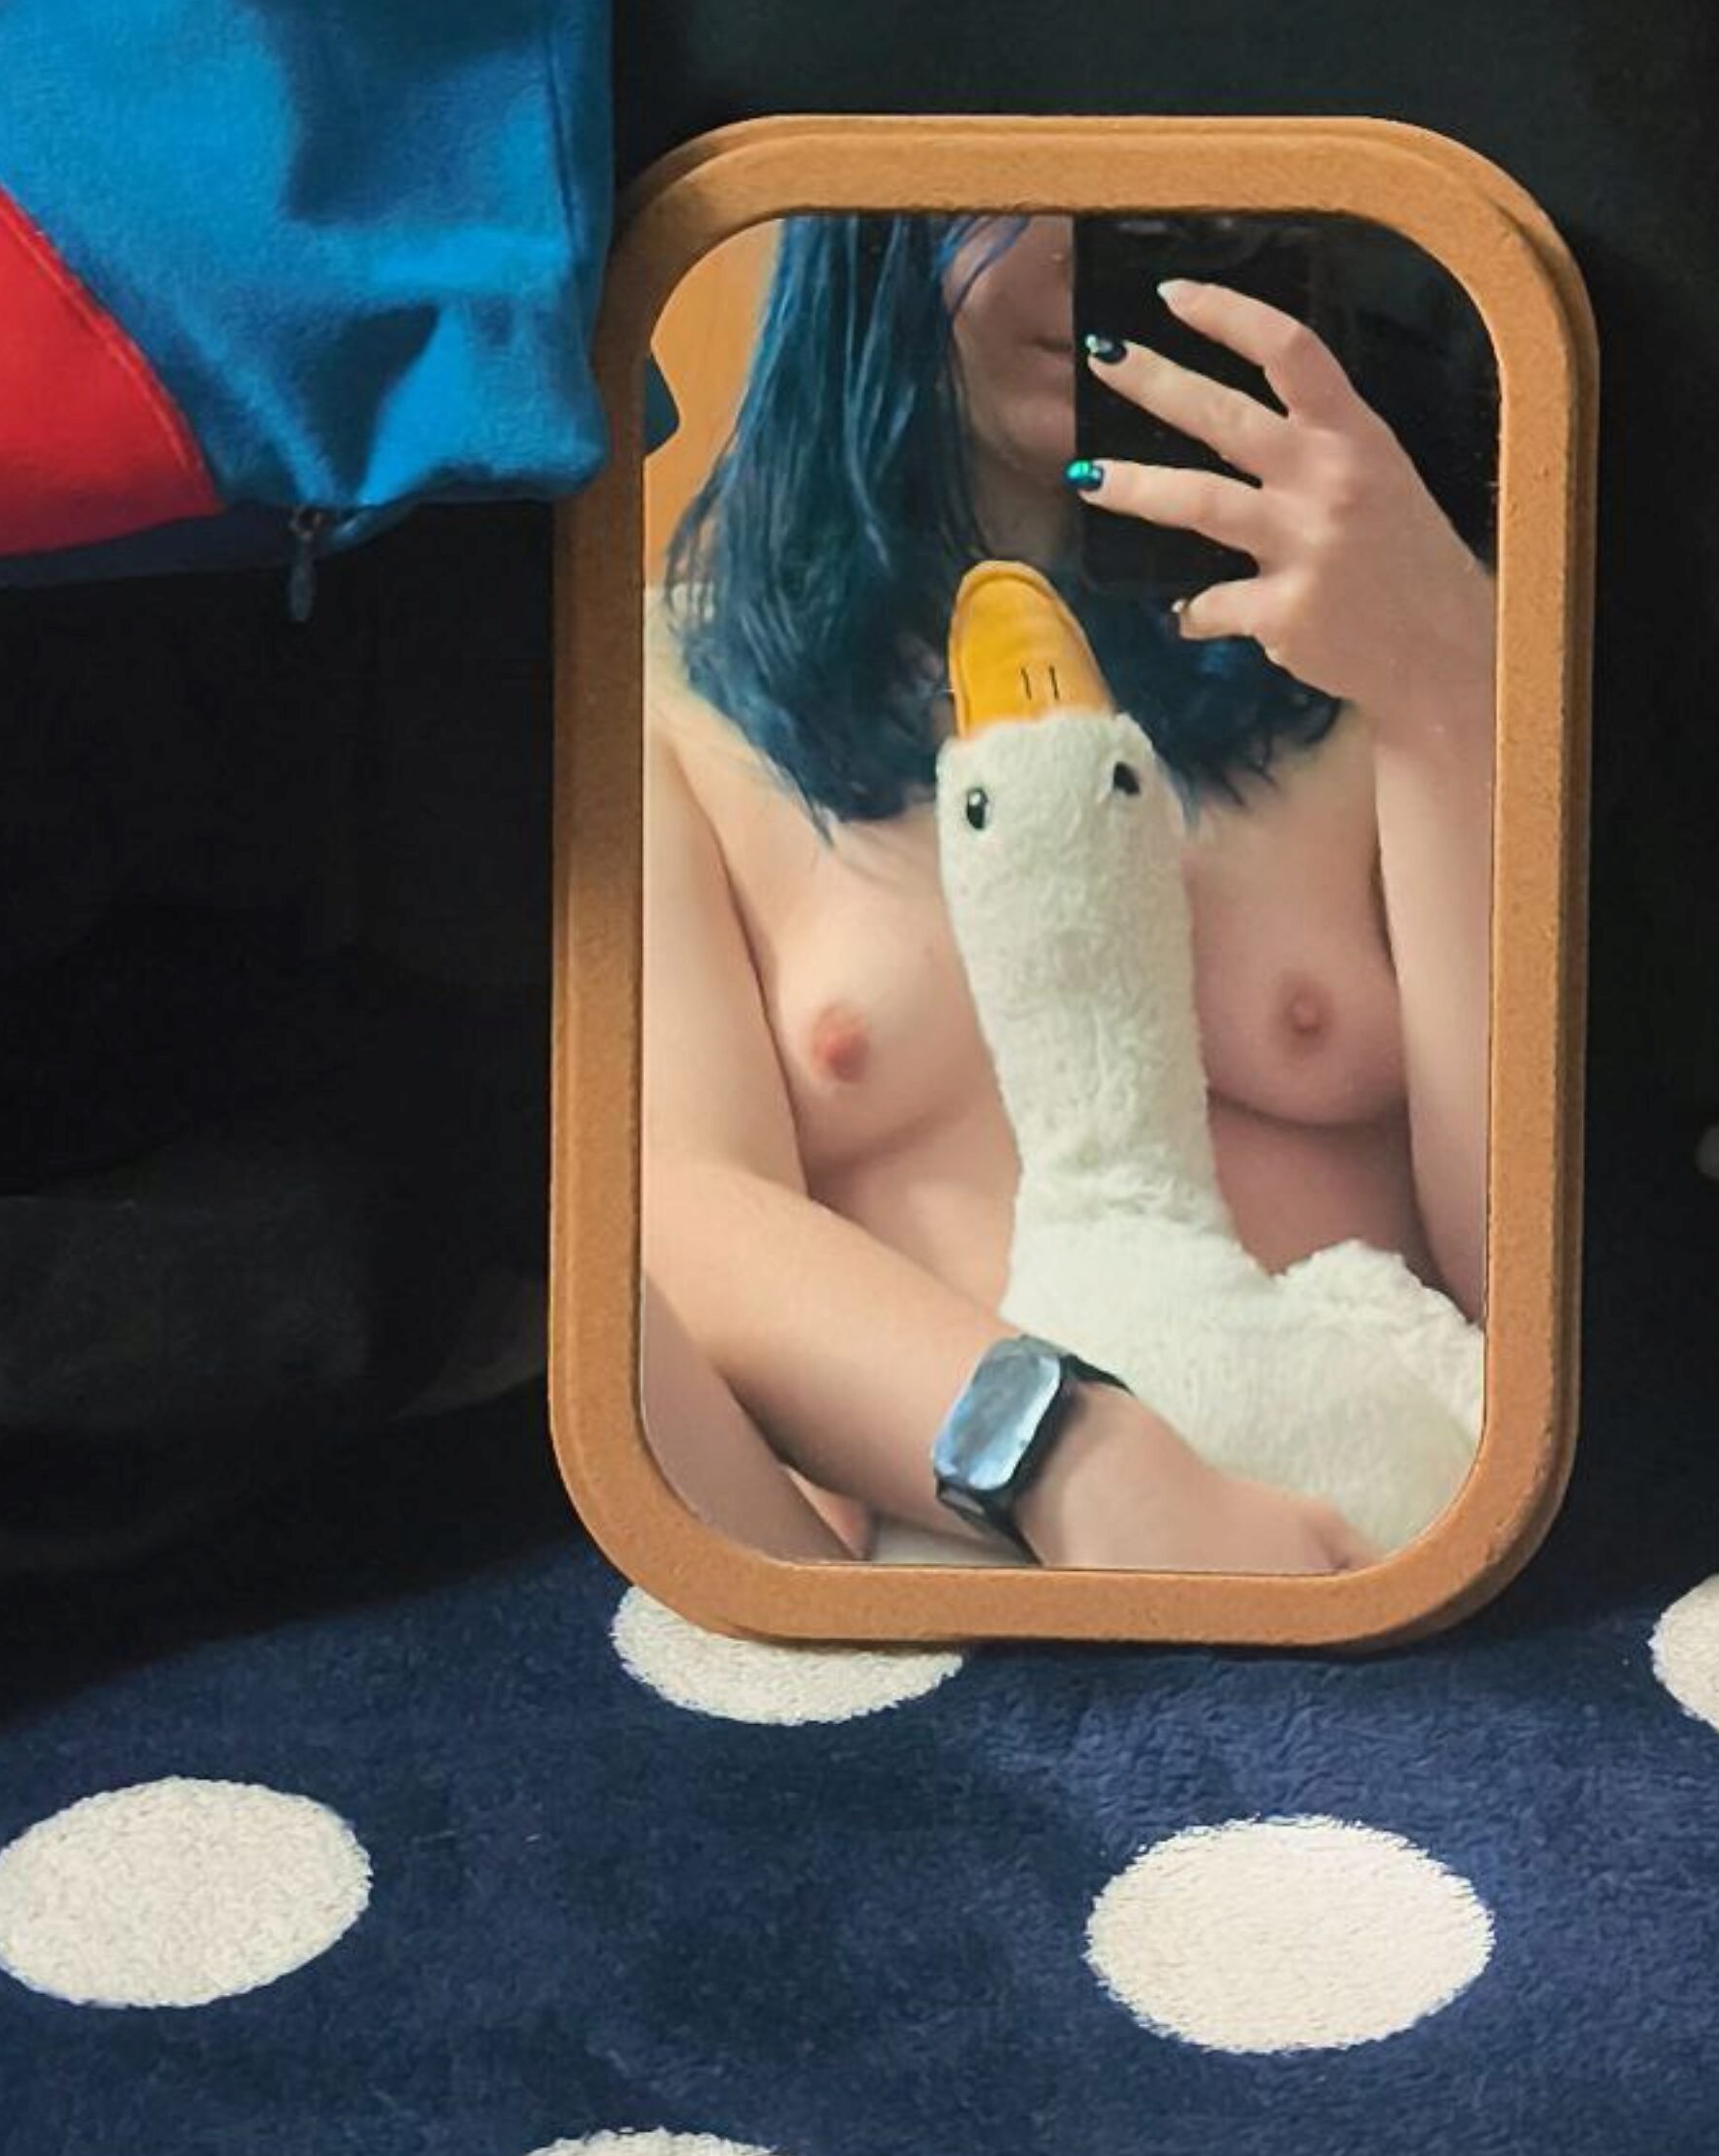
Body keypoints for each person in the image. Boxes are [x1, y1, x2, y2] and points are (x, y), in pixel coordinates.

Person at [640, 211, 1495, 1574]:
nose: (1084, 244)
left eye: (1162, 180)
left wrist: (1448, 678)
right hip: (943, 1580)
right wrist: (1066, 1453)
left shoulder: (1388, 634)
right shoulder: (672, 693)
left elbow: (1532, 1280)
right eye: (1010, 181)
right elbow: (672, 1215)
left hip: (1386, 1546)